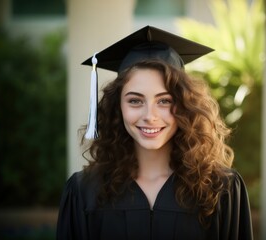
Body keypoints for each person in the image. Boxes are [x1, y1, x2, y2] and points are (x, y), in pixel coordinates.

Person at [57, 26, 253, 240]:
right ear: (117, 106)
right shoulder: (84, 191)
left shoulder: (220, 189)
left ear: (185, 105)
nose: (150, 115)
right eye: (135, 100)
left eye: (164, 101)